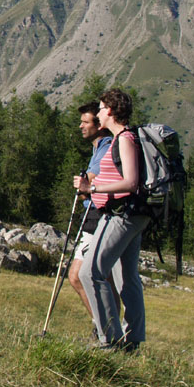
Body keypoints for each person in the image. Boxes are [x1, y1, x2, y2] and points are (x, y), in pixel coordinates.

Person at [75, 88, 148, 351]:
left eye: (103, 108)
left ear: (112, 111)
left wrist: (92, 189)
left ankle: (109, 339)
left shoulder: (125, 139)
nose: (99, 111)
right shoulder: (123, 138)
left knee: (90, 272)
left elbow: (130, 182)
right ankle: (132, 341)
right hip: (130, 214)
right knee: (126, 277)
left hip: (122, 214)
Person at [68, 102, 114, 327]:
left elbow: (92, 181)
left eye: (85, 122)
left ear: (99, 125)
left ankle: (104, 327)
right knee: (103, 278)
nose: (81, 126)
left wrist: (85, 187)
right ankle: (109, 327)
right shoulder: (100, 147)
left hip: (97, 216)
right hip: (97, 214)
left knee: (78, 276)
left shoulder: (105, 148)